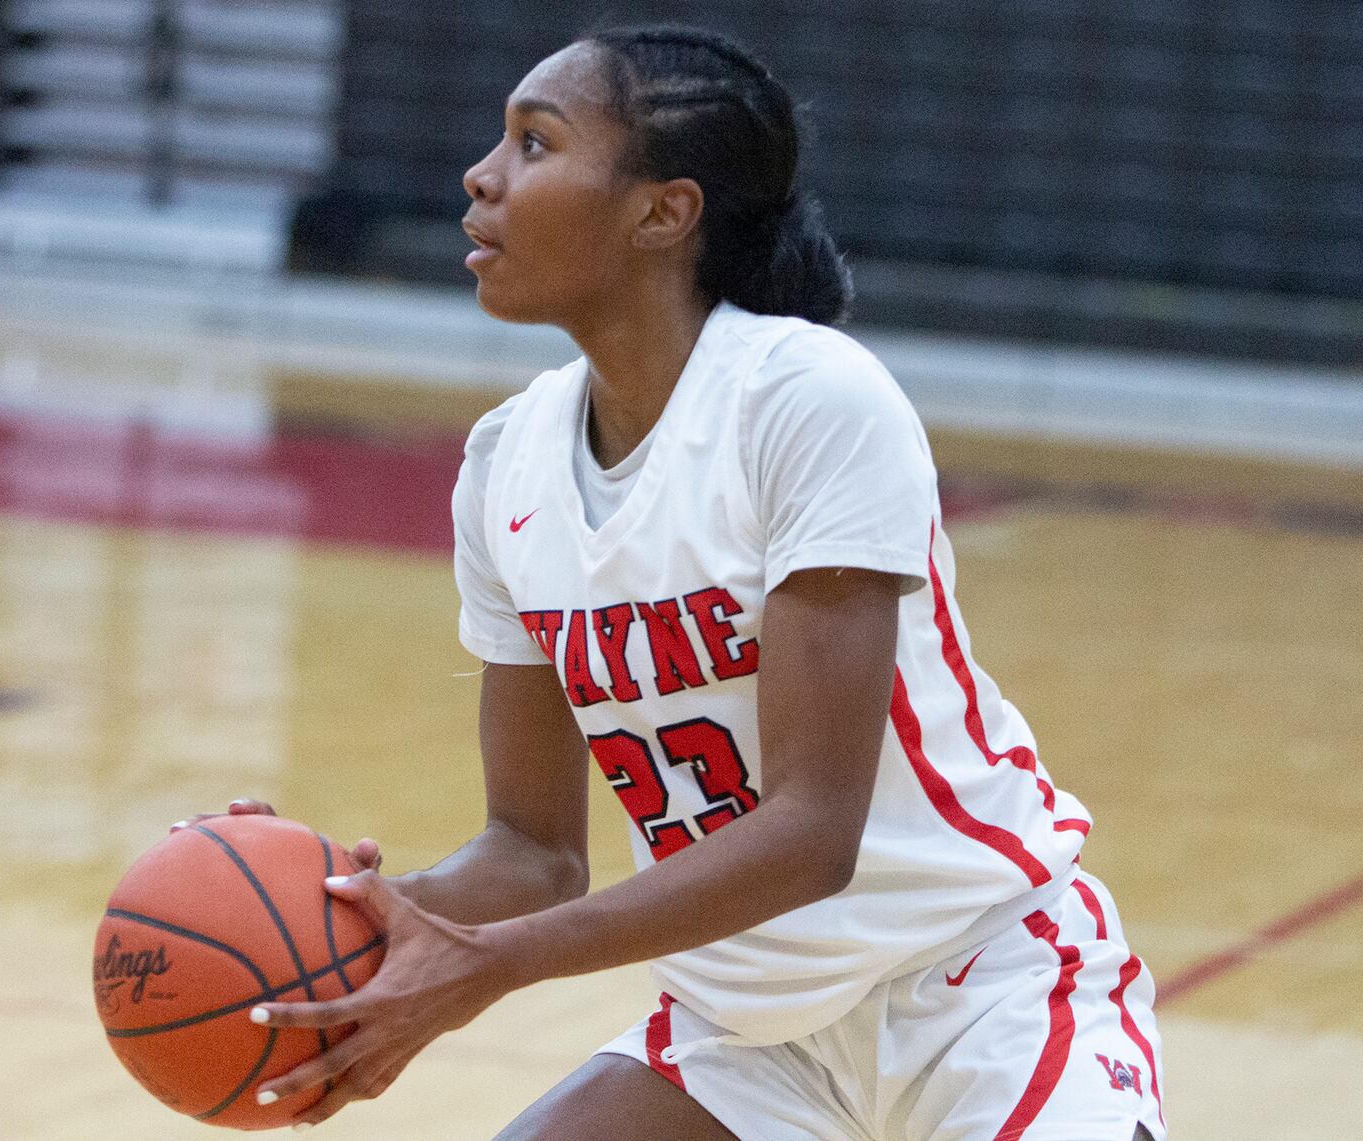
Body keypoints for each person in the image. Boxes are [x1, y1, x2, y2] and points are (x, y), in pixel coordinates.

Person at [188, 24, 1165, 1140]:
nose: (481, 174)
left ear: (663, 212)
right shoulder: (504, 466)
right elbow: (533, 851)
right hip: (749, 1036)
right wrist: (336, 913)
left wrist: (490, 968)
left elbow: (811, 830)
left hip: (980, 986)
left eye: (534, 142)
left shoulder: (805, 400)